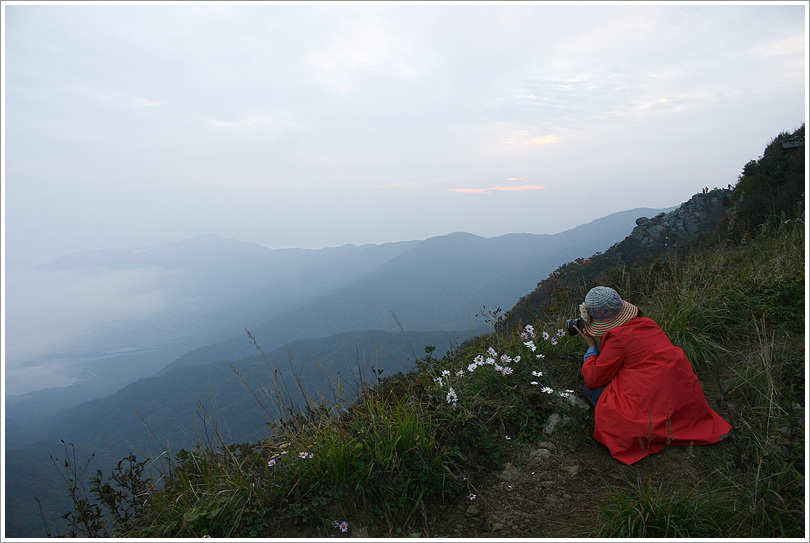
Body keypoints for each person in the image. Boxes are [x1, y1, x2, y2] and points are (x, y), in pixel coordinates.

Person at [573, 286, 732, 465]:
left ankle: (620, 420)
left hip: (650, 407)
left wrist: (592, 348)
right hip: (681, 398)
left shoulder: (617, 338)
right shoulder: (649, 323)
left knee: (590, 388)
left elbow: (594, 378)